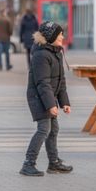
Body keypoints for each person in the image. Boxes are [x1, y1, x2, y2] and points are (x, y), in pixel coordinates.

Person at [20, 21, 73, 176]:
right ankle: (28, 164)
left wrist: (64, 102)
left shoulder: (56, 52)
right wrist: (50, 105)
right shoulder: (41, 55)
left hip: (48, 97)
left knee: (53, 129)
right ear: (51, 36)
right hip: (39, 97)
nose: (62, 37)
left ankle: (54, 163)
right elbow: (43, 83)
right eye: (59, 34)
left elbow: (61, 81)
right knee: (44, 129)